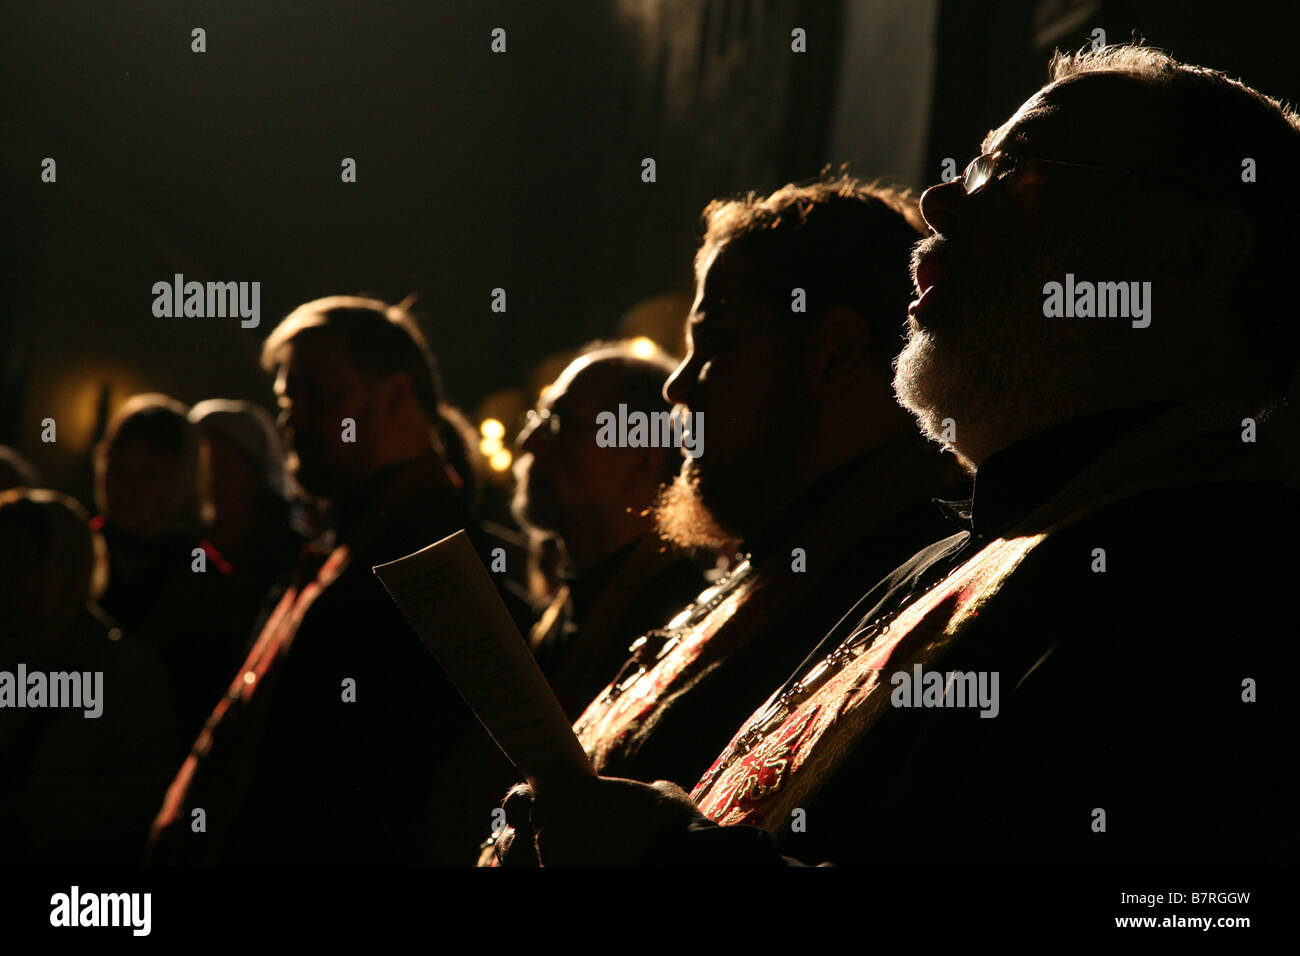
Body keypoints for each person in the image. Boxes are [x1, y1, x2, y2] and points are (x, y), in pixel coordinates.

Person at [496, 45, 1300, 867]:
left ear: (1189, 252)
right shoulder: (949, 556)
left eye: (1018, 166)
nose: (941, 199)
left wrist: (663, 857)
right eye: (977, 159)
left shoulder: (1238, 583)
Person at [485, 176, 966, 867]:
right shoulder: (777, 556)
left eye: (713, 344)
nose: (677, 387)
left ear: (833, 352)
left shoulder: (917, 580)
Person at [150, 296, 515, 864]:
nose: (294, 420)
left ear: (395, 397)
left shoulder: (439, 565)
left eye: (317, 397)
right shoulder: (342, 545)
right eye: (286, 401)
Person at [513, 342, 710, 720]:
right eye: (536, 421)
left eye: (558, 423)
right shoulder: (561, 612)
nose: (528, 443)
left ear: (641, 461)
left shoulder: (678, 618)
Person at [0, 489, 179, 864]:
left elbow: (132, 806)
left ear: (64, 569)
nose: (6, 576)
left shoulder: (121, 674)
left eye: (20, 561)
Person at [93, 394, 241, 745]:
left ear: (182, 481)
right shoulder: (75, 551)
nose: (130, 486)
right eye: (120, 467)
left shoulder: (203, 577)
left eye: (149, 473)